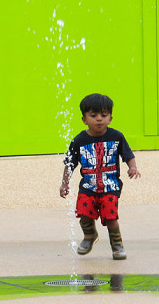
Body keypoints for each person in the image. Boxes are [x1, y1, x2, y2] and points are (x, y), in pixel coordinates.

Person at [59, 93, 141, 260]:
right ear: (84, 119)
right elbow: (70, 164)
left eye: (103, 115)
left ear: (110, 118)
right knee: (84, 214)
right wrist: (64, 184)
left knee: (111, 217)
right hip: (88, 187)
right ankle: (89, 235)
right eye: (93, 115)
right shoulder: (79, 140)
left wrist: (133, 167)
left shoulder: (117, 137)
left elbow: (128, 154)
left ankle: (117, 245)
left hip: (110, 186)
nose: (99, 120)